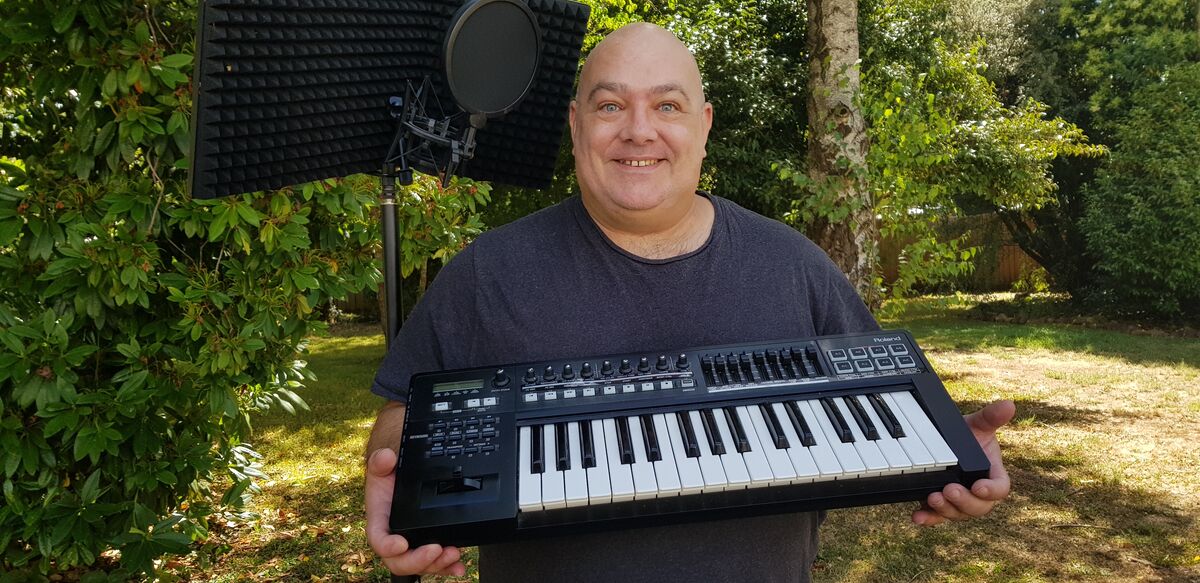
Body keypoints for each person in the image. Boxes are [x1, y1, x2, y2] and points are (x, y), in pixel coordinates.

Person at [363, 22, 1016, 582]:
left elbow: (884, 400)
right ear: (575, 123)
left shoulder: (794, 266)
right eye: (610, 106)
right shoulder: (488, 272)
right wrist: (398, 466)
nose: (639, 131)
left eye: (667, 106)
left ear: (702, 126)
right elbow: (404, 407)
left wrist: (950, 447)